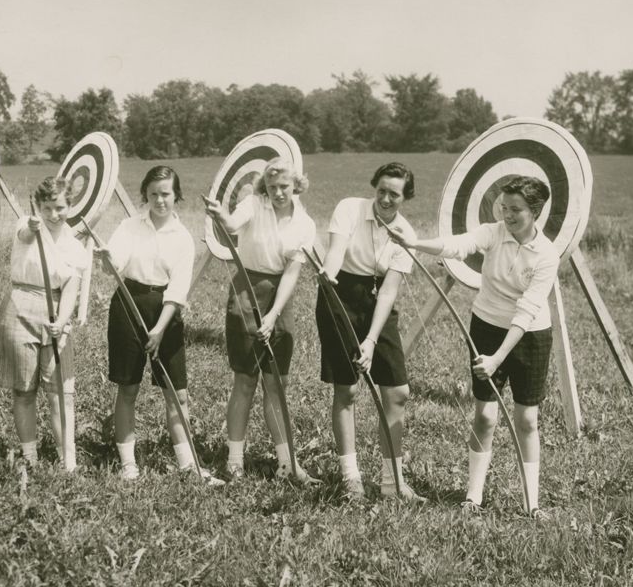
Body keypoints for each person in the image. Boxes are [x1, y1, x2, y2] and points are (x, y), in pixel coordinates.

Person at [388, 175, 559, 520]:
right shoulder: (493, 232)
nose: (507, 216)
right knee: (485, 415)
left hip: (529, 336)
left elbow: (527, 311)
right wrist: (415, 243)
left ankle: (532, 503)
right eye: (504, 208)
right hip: (486, 326)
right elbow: (459, 245)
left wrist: (498, 358)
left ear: (535, 212)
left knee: (527, 419)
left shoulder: (547, 254)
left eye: (516, 210)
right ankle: (473, 496)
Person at [95, 165, 220, 484]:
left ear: (176, 195)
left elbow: (178, 289)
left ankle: (188, 466)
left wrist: (160, 329)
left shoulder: (183, 238)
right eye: (153, 194)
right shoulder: (129, 226)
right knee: (128, 387)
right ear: (145, 195)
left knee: (178, 393)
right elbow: (116, 264)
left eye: (166, 193)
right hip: (128, 302)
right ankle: (128, 465)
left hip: (165, 312)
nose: (160, 200)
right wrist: (107, 259)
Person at [203, 157, 318, 484]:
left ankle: (287, 464)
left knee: (276, 384)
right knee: (245, 380)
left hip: (280, 296)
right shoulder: (253, 203)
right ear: (264, 188)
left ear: (296, 185)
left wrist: (273, 315)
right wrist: (220, 215)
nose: (278, 193)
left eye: (284, 186)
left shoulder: (304, 224)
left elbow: (292, 273)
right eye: (272, 187)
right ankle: (234, 462)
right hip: (246, 292)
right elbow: (232, 225)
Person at [315, 162, 425, 502]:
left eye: (395, 194)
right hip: (339, 295)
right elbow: (336, 251)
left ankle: (392, 482)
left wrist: (372, 340)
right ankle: (351, 478)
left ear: (406, 197)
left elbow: (389, 292)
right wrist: (327, 274)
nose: (386, 199)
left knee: (398, 392)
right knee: (346, 391)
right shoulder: (350, 208)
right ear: (374, 187)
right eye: (381, 190)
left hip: (378, 302)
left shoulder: (407, 236)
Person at [0, 176, 87, 472]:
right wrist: (32, 226)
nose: (53, 215)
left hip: (56, 313)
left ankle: (67, 459)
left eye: (60, 207)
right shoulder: (26, 225)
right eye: (47, 208)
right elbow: (25, 233)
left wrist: (61, 322)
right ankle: (30, 456)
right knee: (24, 390)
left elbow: (72, 287)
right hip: (21, 306)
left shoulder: (75, 245)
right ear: (38, 206)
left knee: (61, 392)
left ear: (69, 205)